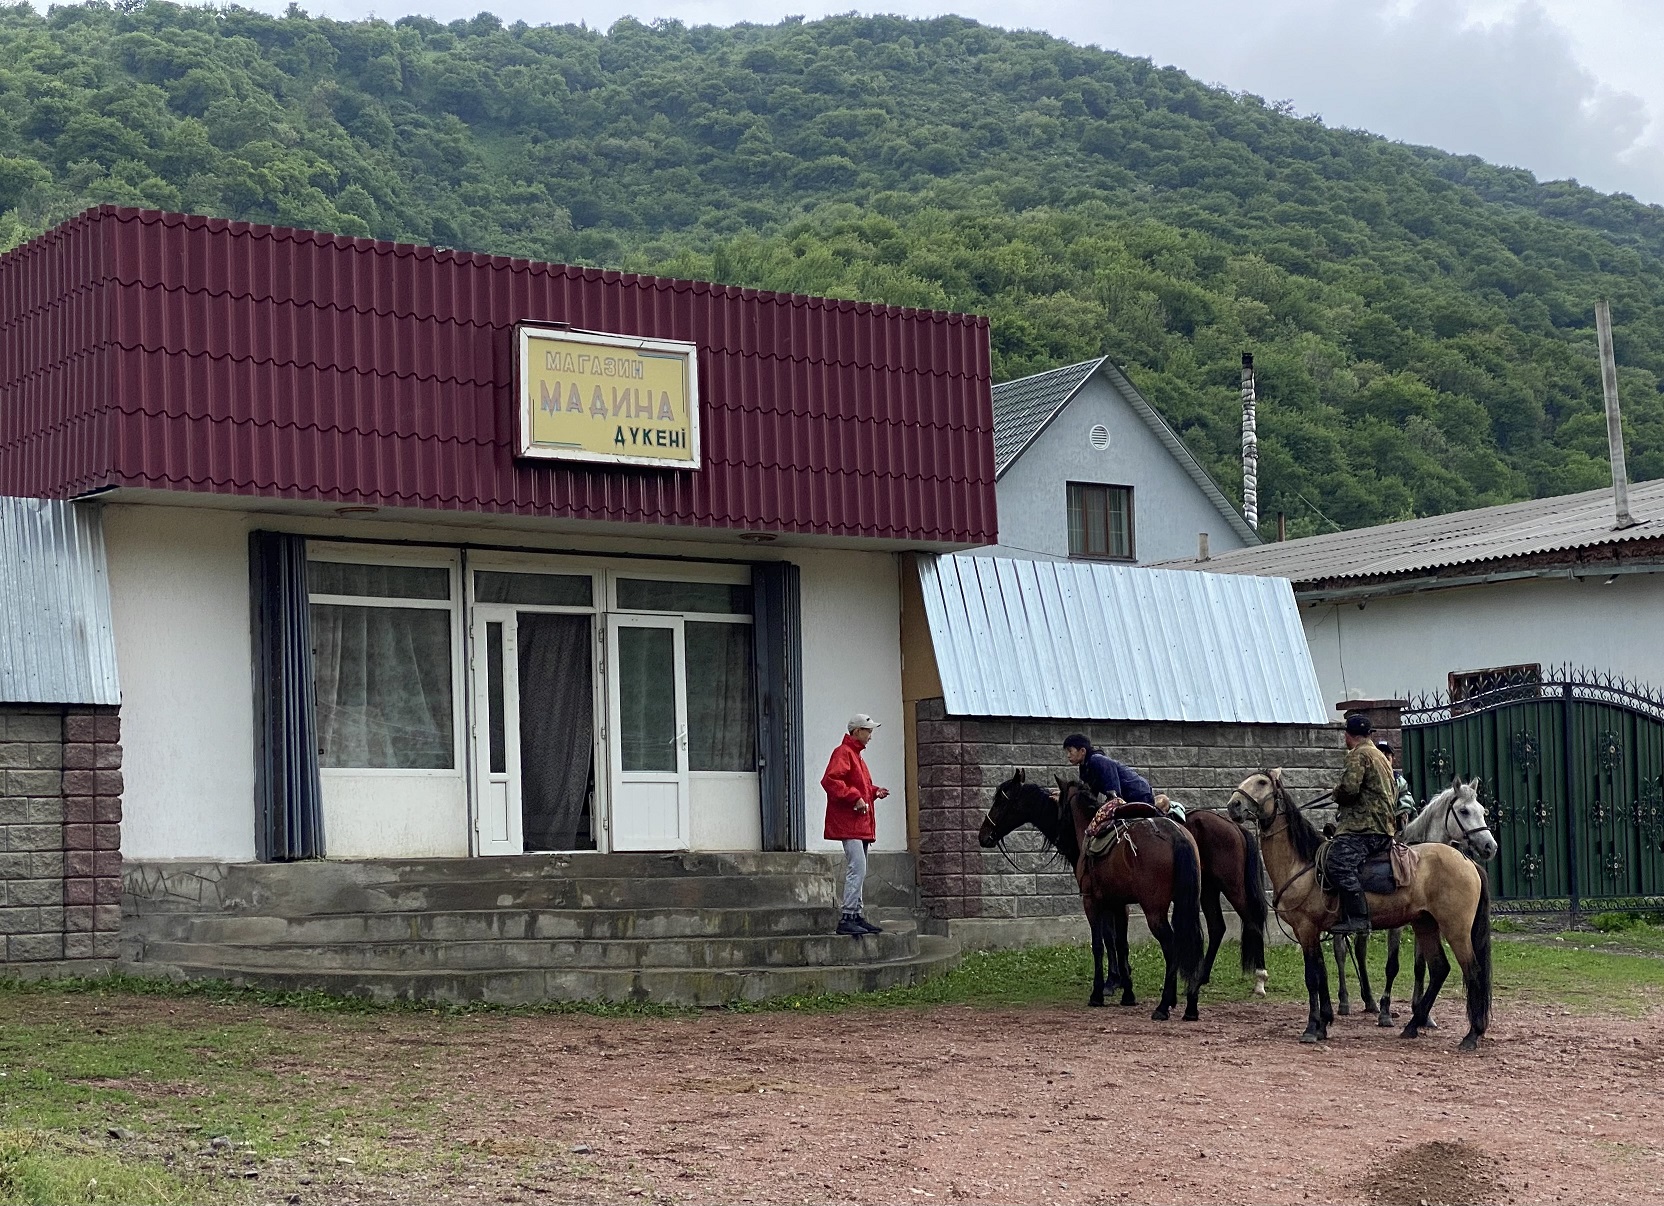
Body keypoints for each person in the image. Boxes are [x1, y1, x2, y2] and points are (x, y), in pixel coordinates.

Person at [1328, 714, 1399, 935]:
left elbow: (1349, 789)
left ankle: (1358, 917)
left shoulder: (1357, 755)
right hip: (1384, 827)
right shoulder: (1380, 756)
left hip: (1364, 828)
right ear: (1369, 734)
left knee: (1336, 862)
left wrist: (1336, 793)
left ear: (1347, 736)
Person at [822, 713, 889, 937]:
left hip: (857, 824)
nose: (871, 735)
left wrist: (873, 792)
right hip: (851, 824)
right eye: (868, 730)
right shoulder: (845, 753)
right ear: (856, 731)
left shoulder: (855, 755)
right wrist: (856, 797)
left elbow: (856, 786)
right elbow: (831, 781)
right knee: (857, 869)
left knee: (859, 870)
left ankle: (855, 915)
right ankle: (848, 916)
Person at [1062, 734, 1156, 806]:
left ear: (1082, 751)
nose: (1068, 755)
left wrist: (1114, 797)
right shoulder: (1085, 768)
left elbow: (1111, 775)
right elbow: (1089, 794)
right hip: (1128, 796)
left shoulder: (1096, 759)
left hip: (1138, 793)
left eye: (1070, 751)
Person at [1376, 739, 1416, 831]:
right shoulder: (1367, 777)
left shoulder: (1399, 781)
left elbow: (1406, 799)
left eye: (1387, 757)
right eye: (1380, 757)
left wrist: (1403, 812)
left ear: (1393, 759)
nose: (1384, 761)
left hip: (1393, 827)